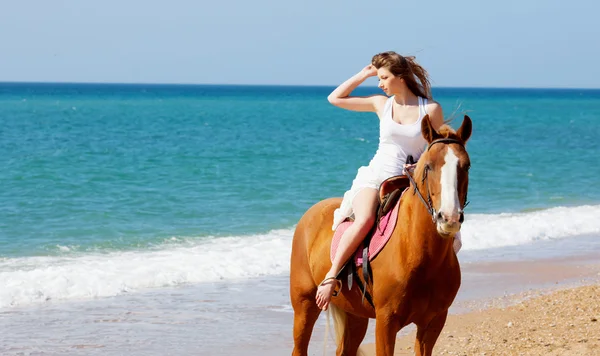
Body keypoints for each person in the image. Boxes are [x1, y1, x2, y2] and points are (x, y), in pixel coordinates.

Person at [315, 51, 461, 311]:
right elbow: (334, 98)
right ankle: (331, 277)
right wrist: (364, 74)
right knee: (364, 220)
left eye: (384, 77)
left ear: (401, 78)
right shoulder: (382, 104)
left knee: (443, 227)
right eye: (378, 78)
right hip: (377, 176)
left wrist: (418, 165)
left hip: (412, 182)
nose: (380, 83)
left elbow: (437, 149)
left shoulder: (430, 108)